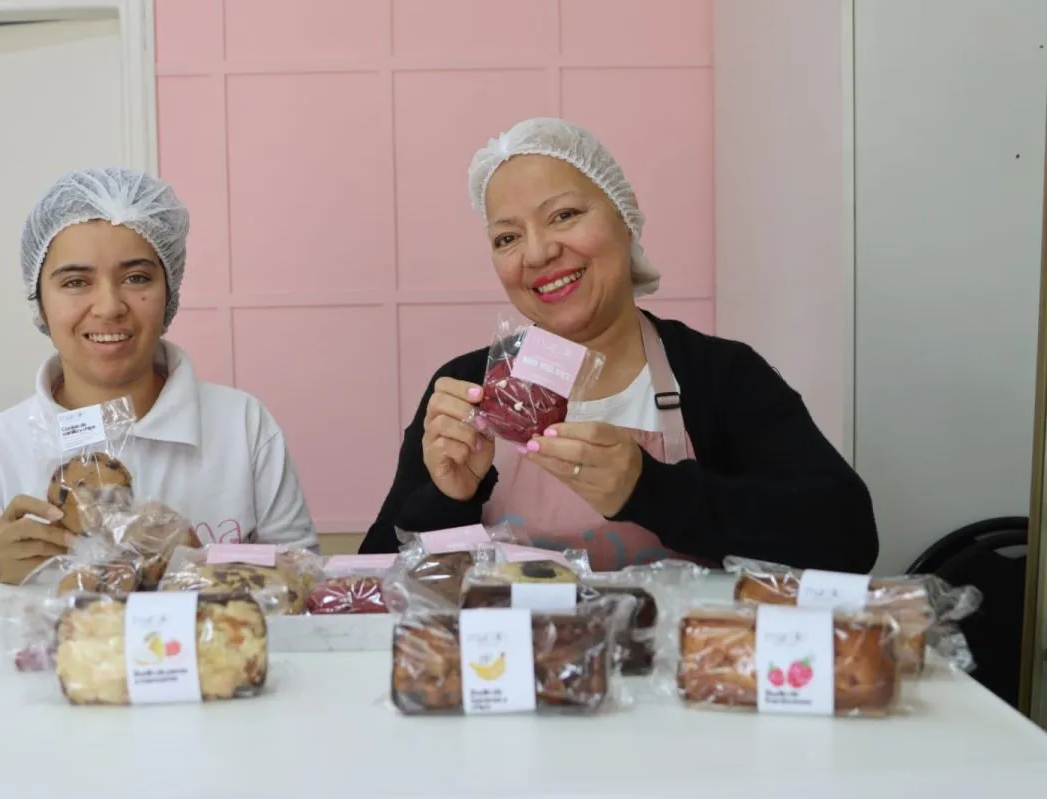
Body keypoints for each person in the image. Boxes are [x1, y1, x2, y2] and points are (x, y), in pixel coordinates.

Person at [359, 118, 879, 573]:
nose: (538, 252)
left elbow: (847, 537)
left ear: (624, 220)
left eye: (563, 215)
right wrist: (450, 498)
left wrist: (648, 490)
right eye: (507, 237)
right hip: (511, 678)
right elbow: (374, 581)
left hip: (677, 677)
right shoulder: (469, 389)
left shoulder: (719, 375)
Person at [0, 167, 316, 584]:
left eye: (136, 278)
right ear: (40, 304)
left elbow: (308, 589)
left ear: (170, 293)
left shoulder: (243, 427)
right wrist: (1, 580)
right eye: (75, 282)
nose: (109, 307)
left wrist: (201, 568)